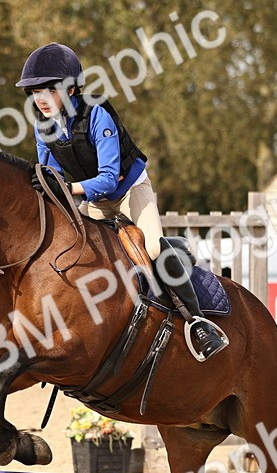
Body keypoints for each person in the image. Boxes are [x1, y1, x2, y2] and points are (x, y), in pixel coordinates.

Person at [16, 42, 228, 362]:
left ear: (71, 88)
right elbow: (52, 173)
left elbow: (107, 178)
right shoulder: (41, 125)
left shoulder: (97, 114)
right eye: (33, 92)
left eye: (47, 90)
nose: (39, 99)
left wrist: (67, 188)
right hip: (91, 200)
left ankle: (197, 322)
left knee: (153, 249)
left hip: (128, 191)